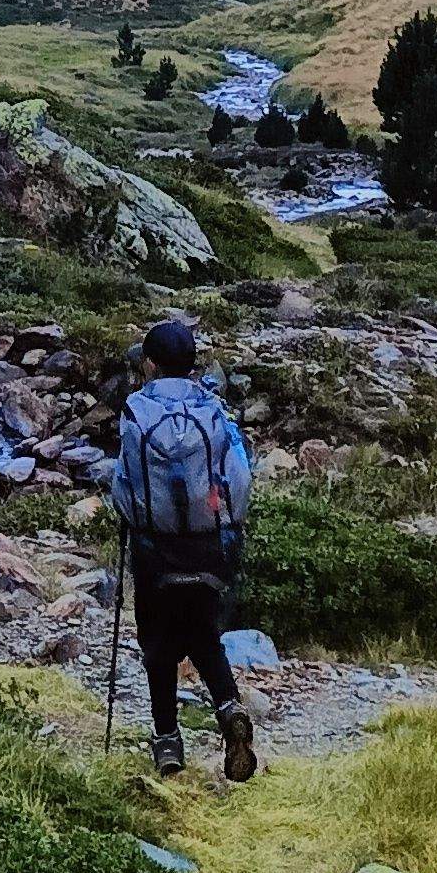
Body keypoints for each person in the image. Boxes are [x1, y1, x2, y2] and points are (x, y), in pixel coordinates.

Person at [111, 314, 257, 781]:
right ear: (193, 365)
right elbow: (239, 479)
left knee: (158, 645)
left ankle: (168, 744)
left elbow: (123, 484)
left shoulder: (136, 411)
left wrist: (132, 519)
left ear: (150, 365)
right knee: (202, 634)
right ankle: (230, 707)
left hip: (155, 548)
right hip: (207, 545)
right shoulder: (213, 411)